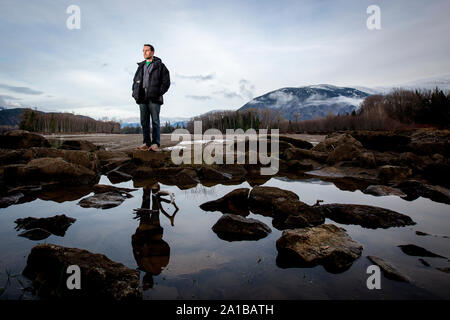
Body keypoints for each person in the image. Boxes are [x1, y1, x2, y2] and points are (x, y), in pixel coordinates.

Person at [132, 44, 170, 152]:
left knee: (155, 121)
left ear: (152, 52)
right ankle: (146, 143)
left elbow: (166, 82)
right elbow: (135, 81)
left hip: (154, 98)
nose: (144, 52)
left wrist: (158, 92)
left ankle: (155, 144)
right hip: (142, 97)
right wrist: (134, 94)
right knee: (144, 121)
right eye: (143, 50)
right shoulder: (140, 66)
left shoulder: (160, 66)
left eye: (147, 50)